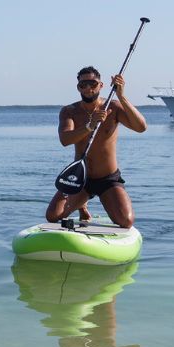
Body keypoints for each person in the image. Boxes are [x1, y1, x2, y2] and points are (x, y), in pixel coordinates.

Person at [46, 66, 147, 228]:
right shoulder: (69, 111)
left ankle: (85, 202)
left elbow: (141, 127)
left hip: (108, 179)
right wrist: (89, 126)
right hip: (81, 178)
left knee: (125, 221)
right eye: (83, 85)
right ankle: (82, 204)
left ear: (101, 85)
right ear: (78, 87)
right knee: (52, 216)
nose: (88, 89)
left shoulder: (113, 108)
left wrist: (122, 96)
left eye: (92, 84)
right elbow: (65, 139)